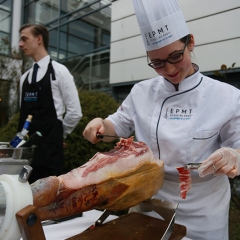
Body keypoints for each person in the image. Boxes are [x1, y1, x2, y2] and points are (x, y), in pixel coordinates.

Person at [83, 0, 240, 239]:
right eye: (157, 63)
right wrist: (100, 125)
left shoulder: (227, 96)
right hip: (149, 199)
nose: (169, 69)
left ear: (191, 43)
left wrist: (233, 156)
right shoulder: (141, 92)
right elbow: (117, 125)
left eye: (176, 56)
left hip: (204, 208)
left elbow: (238, 148)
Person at [18, 24, 82, 184]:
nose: (20, 44)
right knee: (23, 200)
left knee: (49, 201)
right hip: (24, 157)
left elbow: (75, 112)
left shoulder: (60, 72)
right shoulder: (24, 78)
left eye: (24, 39)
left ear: (39, 39)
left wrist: (59, 135)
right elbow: (23, 114)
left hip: (50, 155)